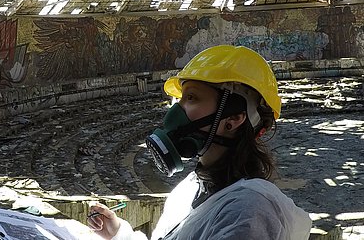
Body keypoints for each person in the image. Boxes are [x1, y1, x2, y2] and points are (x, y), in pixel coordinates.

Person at [88, 45, 311, 239]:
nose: (176, 110)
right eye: (180, 98)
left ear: (233, 118)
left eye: (192, 98)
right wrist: (118, 234)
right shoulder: (191, 188)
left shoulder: (250, 209)